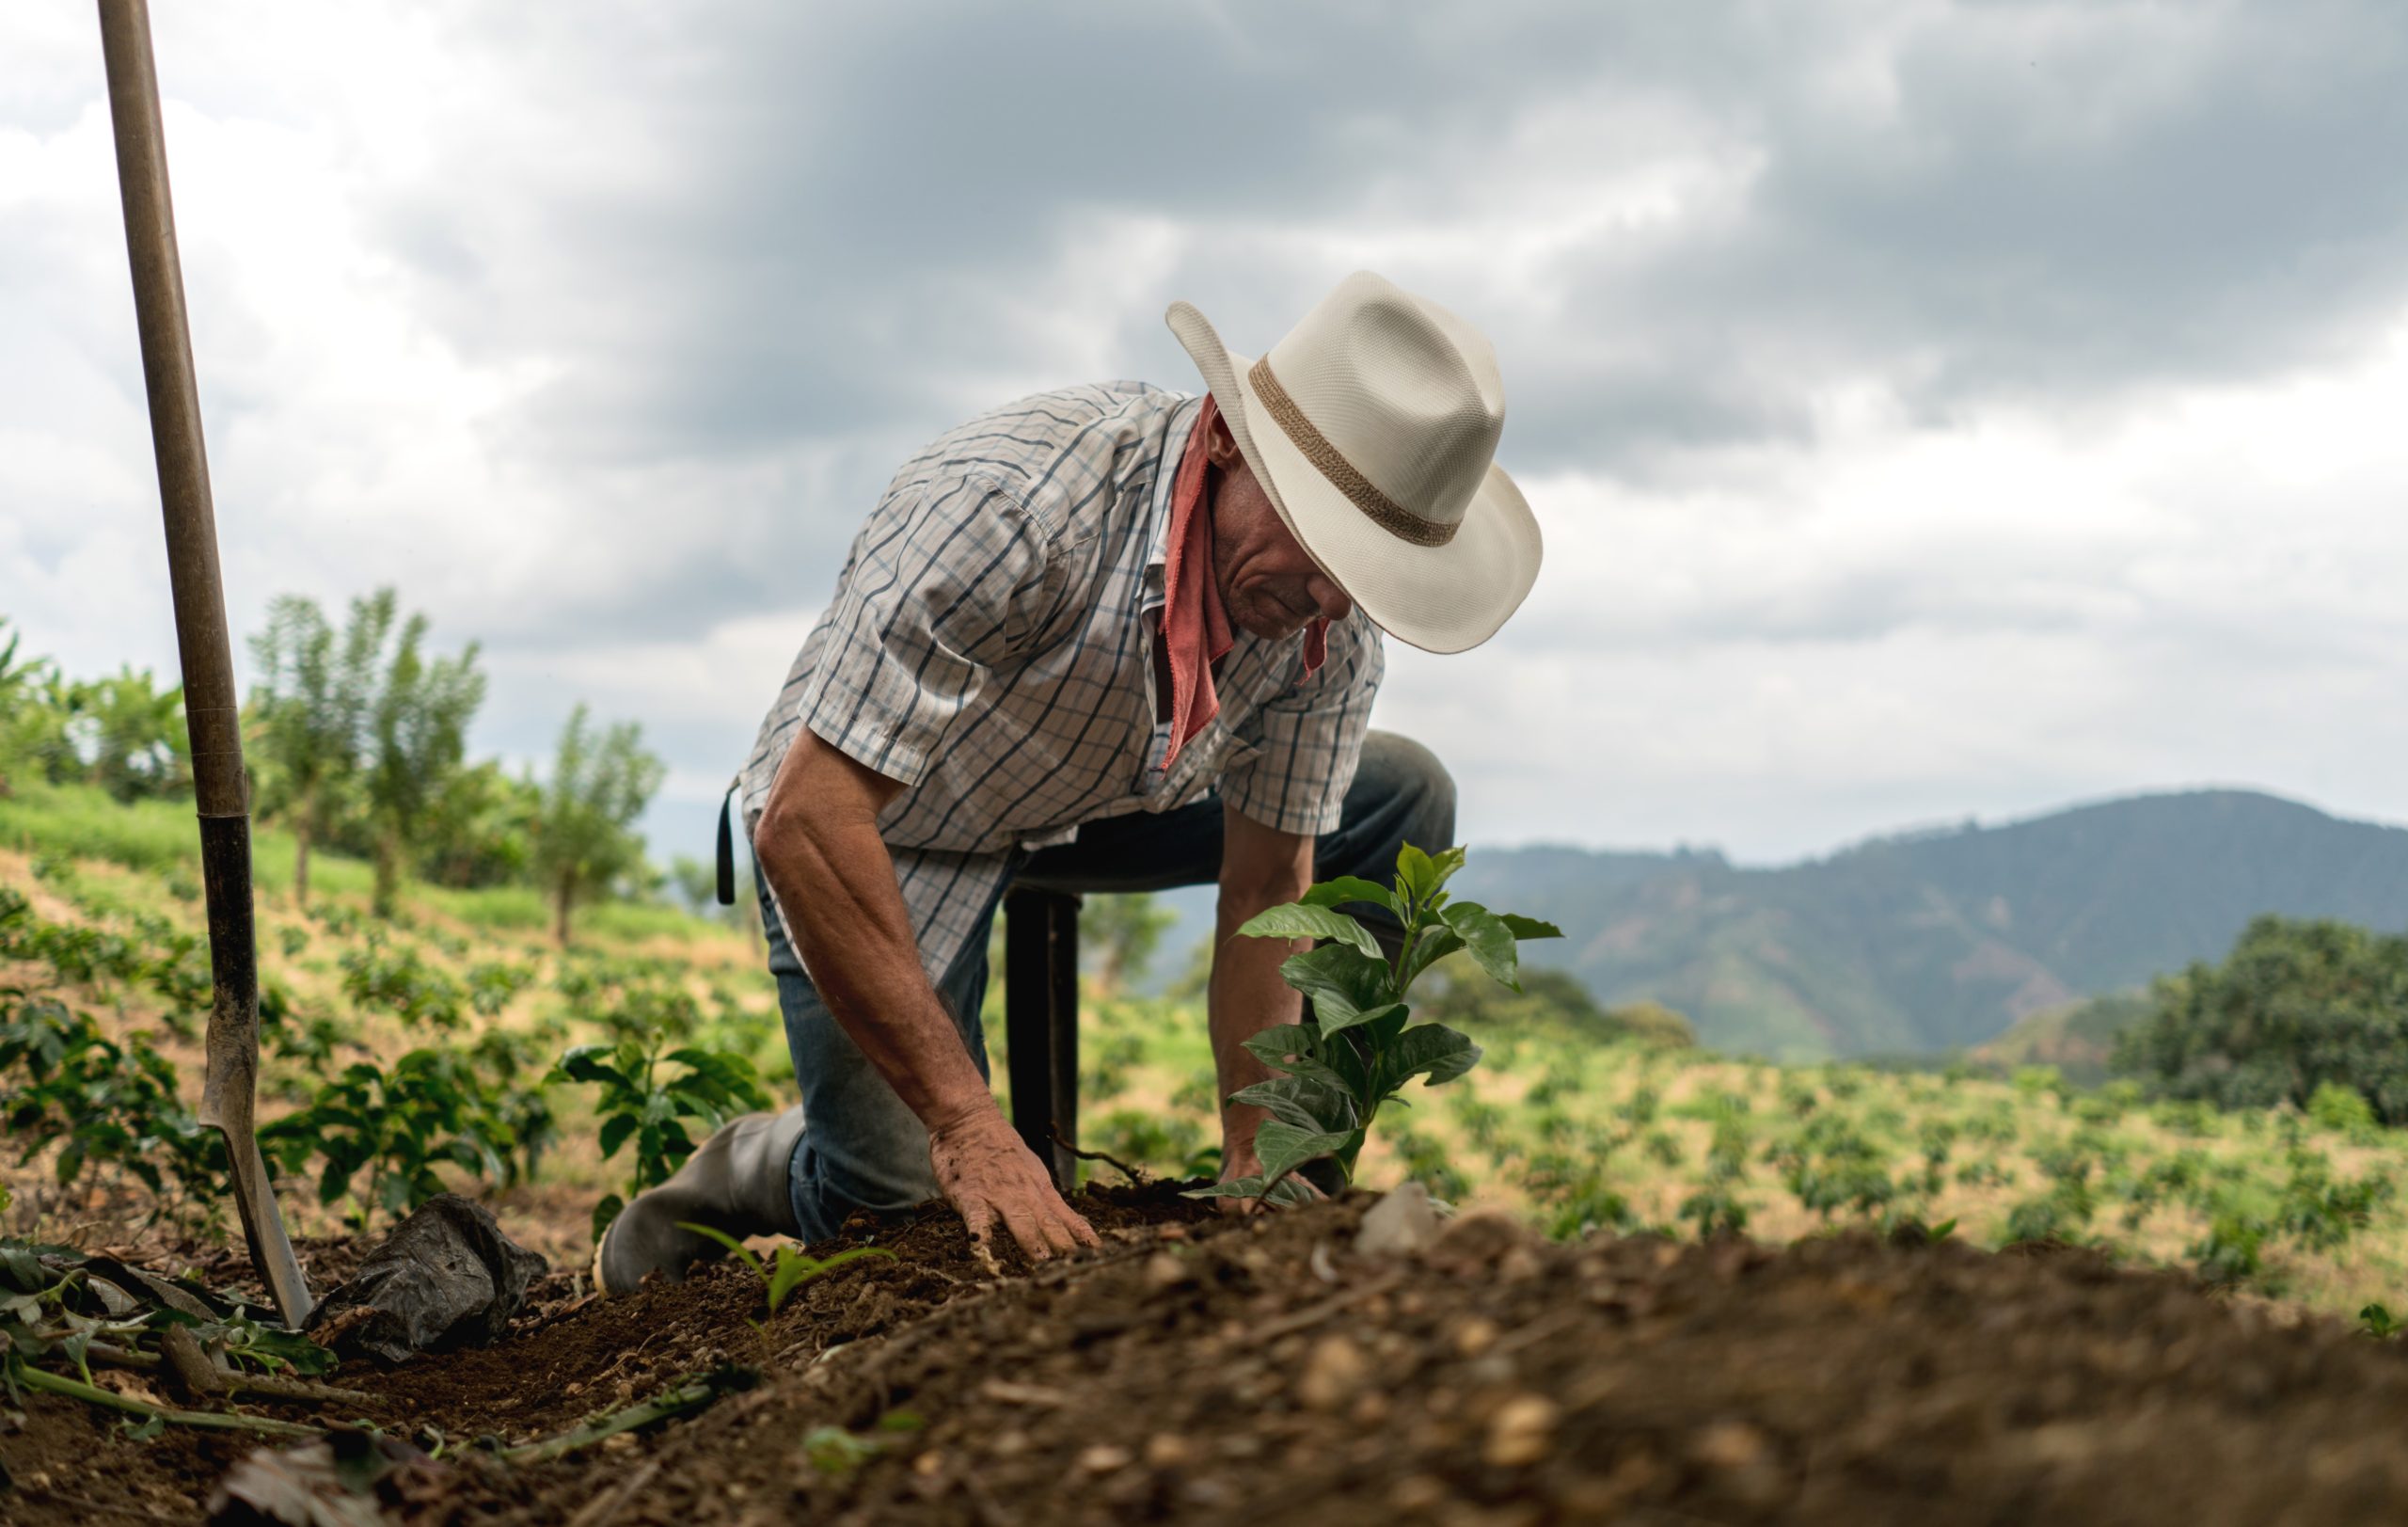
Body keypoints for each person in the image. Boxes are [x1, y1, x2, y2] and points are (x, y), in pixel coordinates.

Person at [596, 270, 1543, 1291]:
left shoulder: (1323, 623)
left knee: (1402, 794)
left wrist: (1257, 1151)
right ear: (1227, 441)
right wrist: (967, 1124)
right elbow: (809, 817)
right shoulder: (1013, 508)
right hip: (889, 816)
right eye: (1319, 547)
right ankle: (762, 1163)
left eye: (1360, 575)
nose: (1327, 601)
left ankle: (1295, 1185)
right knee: (910, 1211)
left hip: (1103, 796)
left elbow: (1271, 886)